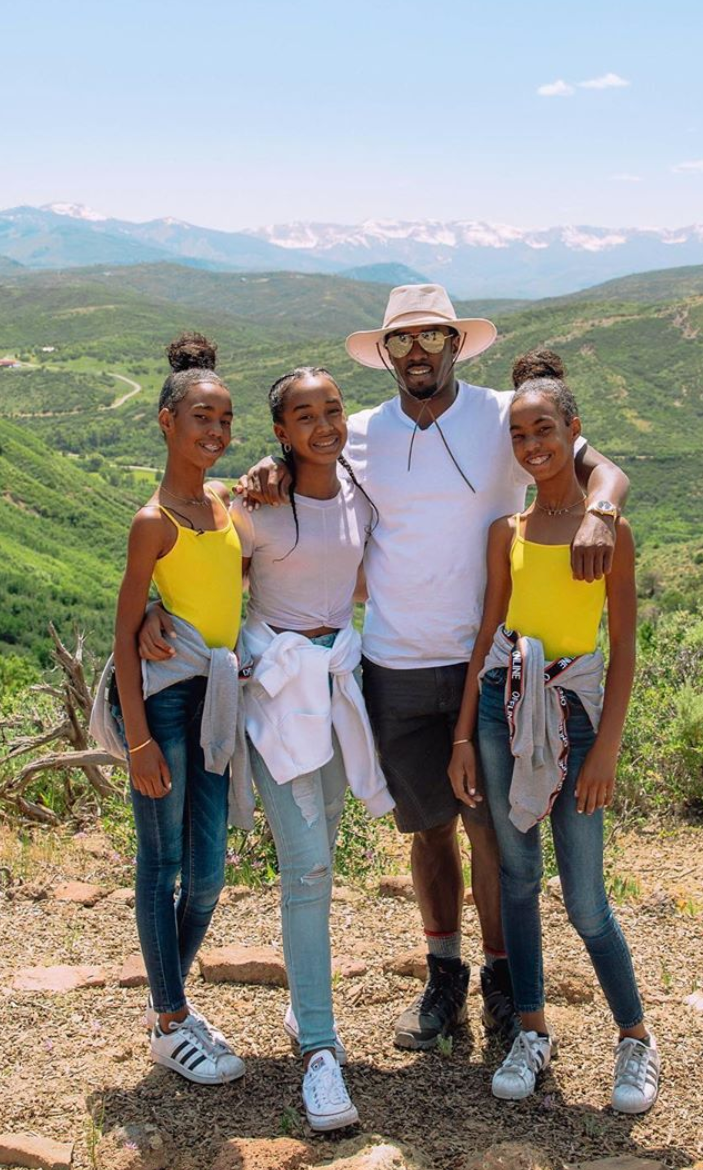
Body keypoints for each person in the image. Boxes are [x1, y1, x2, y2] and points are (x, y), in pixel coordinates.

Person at [231, 285, 631, 1052]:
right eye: (402, 341)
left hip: (491, 666)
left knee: (492, 831)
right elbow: (297, 462)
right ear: (386, 353)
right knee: (428, 830)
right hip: (394, 663)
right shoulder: (358, 433)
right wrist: (266, 468)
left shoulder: (501, 415)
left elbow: (601, 467)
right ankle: (444, 974)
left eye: (432, 338)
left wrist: (602, 513)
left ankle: (503, 980)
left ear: (457, 343)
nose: (417, 353)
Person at [447, 371, 659, 1113]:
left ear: (574, 430)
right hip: (503, 708)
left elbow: (624, 651)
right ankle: (531, 1030)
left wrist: (606, 751)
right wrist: (464, 734)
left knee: (587, 898)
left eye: (545, 430)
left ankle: (635, 1037)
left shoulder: (610, 533)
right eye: (520, 434)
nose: (532, 445)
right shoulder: (505, 533)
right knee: (517, 877)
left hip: (574, 714)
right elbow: (488, 635)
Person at [231, 366, 394, 1131]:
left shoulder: (360, 490)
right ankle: (321, 1053)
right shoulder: (257, 504)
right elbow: (211, 576)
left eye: (333, 409)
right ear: (280, 431)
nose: (325, 425)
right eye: (305, 415)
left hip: (335, 685)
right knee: (308, 867)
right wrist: (159, 615)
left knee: (321, 849)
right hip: (279, 690)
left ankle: (304, 1006)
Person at [107, 333, 251, 1086]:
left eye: (224, 420)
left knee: (207, 874)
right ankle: (169, 1019)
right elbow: (124, 632)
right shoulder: (153, 521)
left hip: (216, 703)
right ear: (167, 421)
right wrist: (137, 742)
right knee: (161, 863)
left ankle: (170, 1001)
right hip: (166, 706)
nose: (215, 432)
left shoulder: (223, 504)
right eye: (202, 418)